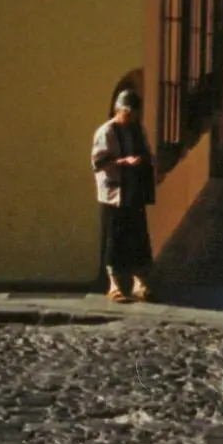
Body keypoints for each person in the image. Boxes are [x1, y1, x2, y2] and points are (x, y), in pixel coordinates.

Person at [91, 89, 155, 302]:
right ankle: (114, 285)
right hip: (114, 194)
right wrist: (123, 162)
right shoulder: (106, 132)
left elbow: (147, 152)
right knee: (115, 240)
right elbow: (98, 164)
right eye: (128, 114)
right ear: (119, 110)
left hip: (134, 192)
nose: (132, 118)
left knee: (138, 238)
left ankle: (140, 282)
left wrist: (144, 160)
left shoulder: (138, 129)